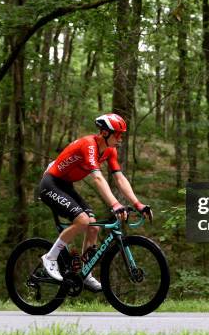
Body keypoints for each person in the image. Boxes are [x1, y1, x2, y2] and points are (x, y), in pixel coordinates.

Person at [39, 113, 152, 292]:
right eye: (118, 134)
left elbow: (120, 178)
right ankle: (50, 258)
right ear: (105, 133)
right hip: (51, 184)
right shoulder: (89, 145)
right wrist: (115, 205)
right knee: (83, 220)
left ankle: (85, 273)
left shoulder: (109, 150)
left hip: (65, 186)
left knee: (94, 226)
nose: (120, 139)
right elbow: (98, 178)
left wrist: (138, 204)